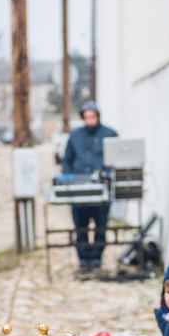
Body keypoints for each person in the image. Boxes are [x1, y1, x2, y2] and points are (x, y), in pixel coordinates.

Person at [61, 100, 118, 270]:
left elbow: (115, 159)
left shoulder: (110, 134)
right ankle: (83, 258)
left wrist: (107, 174)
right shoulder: (75, 135)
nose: (90, 120)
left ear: (98, 116)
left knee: (101, 225)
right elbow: (67, 159)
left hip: (101, 188)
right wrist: (69, 178)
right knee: (80, 226)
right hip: (79, 187)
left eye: (92, 116)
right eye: (87, 117)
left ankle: (96, 258)